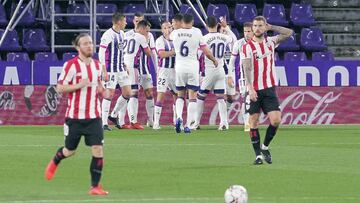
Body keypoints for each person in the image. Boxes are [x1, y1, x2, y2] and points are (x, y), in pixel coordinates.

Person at [44, 33, 109, 195]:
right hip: (74, 117)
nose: (89, 46)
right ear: (77, 47)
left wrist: (104, 91)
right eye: (85, 43)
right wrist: (79, 84)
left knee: (98, 149)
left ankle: (95, 186)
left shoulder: (97, 65)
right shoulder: (71, 66)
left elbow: (99, 86)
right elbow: (60, 88)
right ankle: (56, 159)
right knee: (69, 151)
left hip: (94, 116)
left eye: (91, 43)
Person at [241, 16, 293, 165]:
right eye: (255, 26)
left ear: (264, 27)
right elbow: (247, 67)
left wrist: (272, 27)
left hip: (269, 88)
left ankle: (265, 147)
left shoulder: (271, 42)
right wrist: (250, 88)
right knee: (253, 122)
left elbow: (289, 33)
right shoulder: (247, 47)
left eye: (260, 26)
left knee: (276, 120)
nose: (257, 28)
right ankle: (258, 156)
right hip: (254, 89)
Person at [170, 13, 218, 133]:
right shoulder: (197, 32)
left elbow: (170, 37)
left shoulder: (174, 33)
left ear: (182, 22)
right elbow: (206, 51)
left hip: (179, 67)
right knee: (192, 98)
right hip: (192, 67)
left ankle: (179, 116)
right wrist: (214, 60)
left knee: (180, 95)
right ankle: (188, 125)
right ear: (192, 22)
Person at [113, 19, 155, 130]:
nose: (147, 33)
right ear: (141, 28)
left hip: (123, 66)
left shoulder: (126, 36)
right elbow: (149, 53)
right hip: (132, 67)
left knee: (125, 93)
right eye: (146, 31)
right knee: (133, 94)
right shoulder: (141, 37)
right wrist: (146, 42)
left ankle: (120, 120)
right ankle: (132, 121)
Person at [192, 16, 232, 131]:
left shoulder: (203, 39)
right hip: (220, 70)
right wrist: (226, 28)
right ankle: (224, 123)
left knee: (200, 97)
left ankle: (196, 123)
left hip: (209, 71)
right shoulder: (225, 37)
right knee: (220, 98)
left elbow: (198, 55)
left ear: (206, 25)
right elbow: (233, 39)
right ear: (217, 25)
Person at [99, 12, 131, 131]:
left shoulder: (122, 34)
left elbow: (121, 51)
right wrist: (104, 70)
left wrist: (124, 64)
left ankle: (113, 115)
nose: (126, 23)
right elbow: (101, 53)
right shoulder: (108, 35)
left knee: (128, 93)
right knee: (109, 95)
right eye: (124, 21)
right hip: (110, 69)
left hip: (121, 69)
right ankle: (103, 123)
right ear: (118, 22)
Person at [228, 22, 254, 132]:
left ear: (253, 31)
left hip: (258, 76)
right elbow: (232, 61)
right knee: (247, 99)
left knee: (258, 99)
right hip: (244, 77)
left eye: (249, 31)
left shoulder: (259, 42)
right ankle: (247, 123)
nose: (247, 33)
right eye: (245, 31)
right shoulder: (238, 44)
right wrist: (230, 75)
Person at [153, 21, 176, 130]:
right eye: (165, 28)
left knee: (177, 94)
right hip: (163, 70)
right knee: (160, 95)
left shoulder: (176, 39)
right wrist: (173, 52)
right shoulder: (159, 40)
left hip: (175, 70)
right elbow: (161, 54)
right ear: (162, 30)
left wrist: (172, 52)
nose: (168, 29)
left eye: (169, 27)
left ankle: (176, 120)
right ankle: (156, 122)